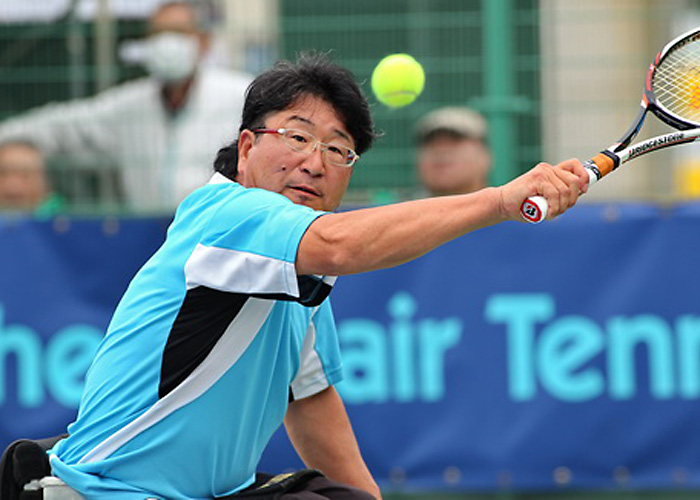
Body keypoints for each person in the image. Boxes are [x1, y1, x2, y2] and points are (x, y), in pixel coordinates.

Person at [46, 53, 588, 500]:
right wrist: (497, 200)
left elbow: (309, 398)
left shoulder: (291, 270)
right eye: (298, 137)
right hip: (109, 491)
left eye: (338, 150)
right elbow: (340, 244)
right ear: (247, 147)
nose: (316, 162)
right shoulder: (227, 213)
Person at [0, 1, 252, 212]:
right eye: (157, 34)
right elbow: (62, 127)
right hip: (149, 239)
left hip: (216, 234)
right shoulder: (131, 105)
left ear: (203, 41)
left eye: (177, 32)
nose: (166, 42)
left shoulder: (238, 96)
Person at [414, 106, 492, 196]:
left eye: (455, 141)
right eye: (431, 143)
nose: (441, 151)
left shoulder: (508, 206)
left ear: (484, 155)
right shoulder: (398, 206)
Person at [0, 140, 63, 216]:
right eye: (3, 174)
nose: (13, 188)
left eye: (25, 175)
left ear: (45, 183)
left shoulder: (67, 219)